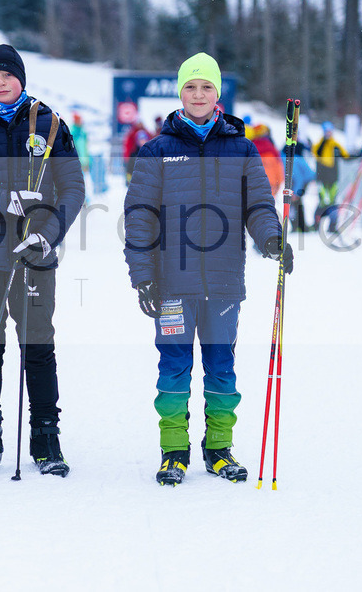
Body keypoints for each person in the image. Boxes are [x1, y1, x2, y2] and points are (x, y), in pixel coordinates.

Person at [123, 52, 293, 487]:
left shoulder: (242, 148)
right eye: (191, 87)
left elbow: (258, 205)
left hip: (222, 282)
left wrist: (271, 239)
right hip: (171, 283)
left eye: (207, 87)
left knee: (221, 368)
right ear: (180, 93)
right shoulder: (156, 151)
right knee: (174, 368)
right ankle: (174, 451)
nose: (198, 94)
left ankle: (218, 448)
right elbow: (140, 217)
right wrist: (142, 275)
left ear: (218, 94)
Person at [0, 44, 84, 477]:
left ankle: (46, 437)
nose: (1, 82)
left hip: (34, 254)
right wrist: (1, 199)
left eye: (9, 75)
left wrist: (50, 235)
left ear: (22, 80)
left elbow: (73, 189)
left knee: (38, 345)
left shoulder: (49, 123)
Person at [313, 121, 350, 233]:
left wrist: (361, 152)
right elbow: (316, 153)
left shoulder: (335, 145)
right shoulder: (319, 145)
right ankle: (316, 225)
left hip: (333, 179)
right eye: (327, 131)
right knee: (323, 202)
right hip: (322, 179)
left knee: (333, 203)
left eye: (330, 131)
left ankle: (332, 226)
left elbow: (346, 157)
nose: (329, 133)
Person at [248, 123, 284, 197]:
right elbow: (279, 170)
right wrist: (278, 185)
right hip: (270, 184)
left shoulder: (249, 148)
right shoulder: (273, 150)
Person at [123, 119, 149, 184]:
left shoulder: (152, 153)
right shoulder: (133, 154)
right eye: (141, 139)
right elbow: (129, 170)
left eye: (144, 139)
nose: (143, 141)